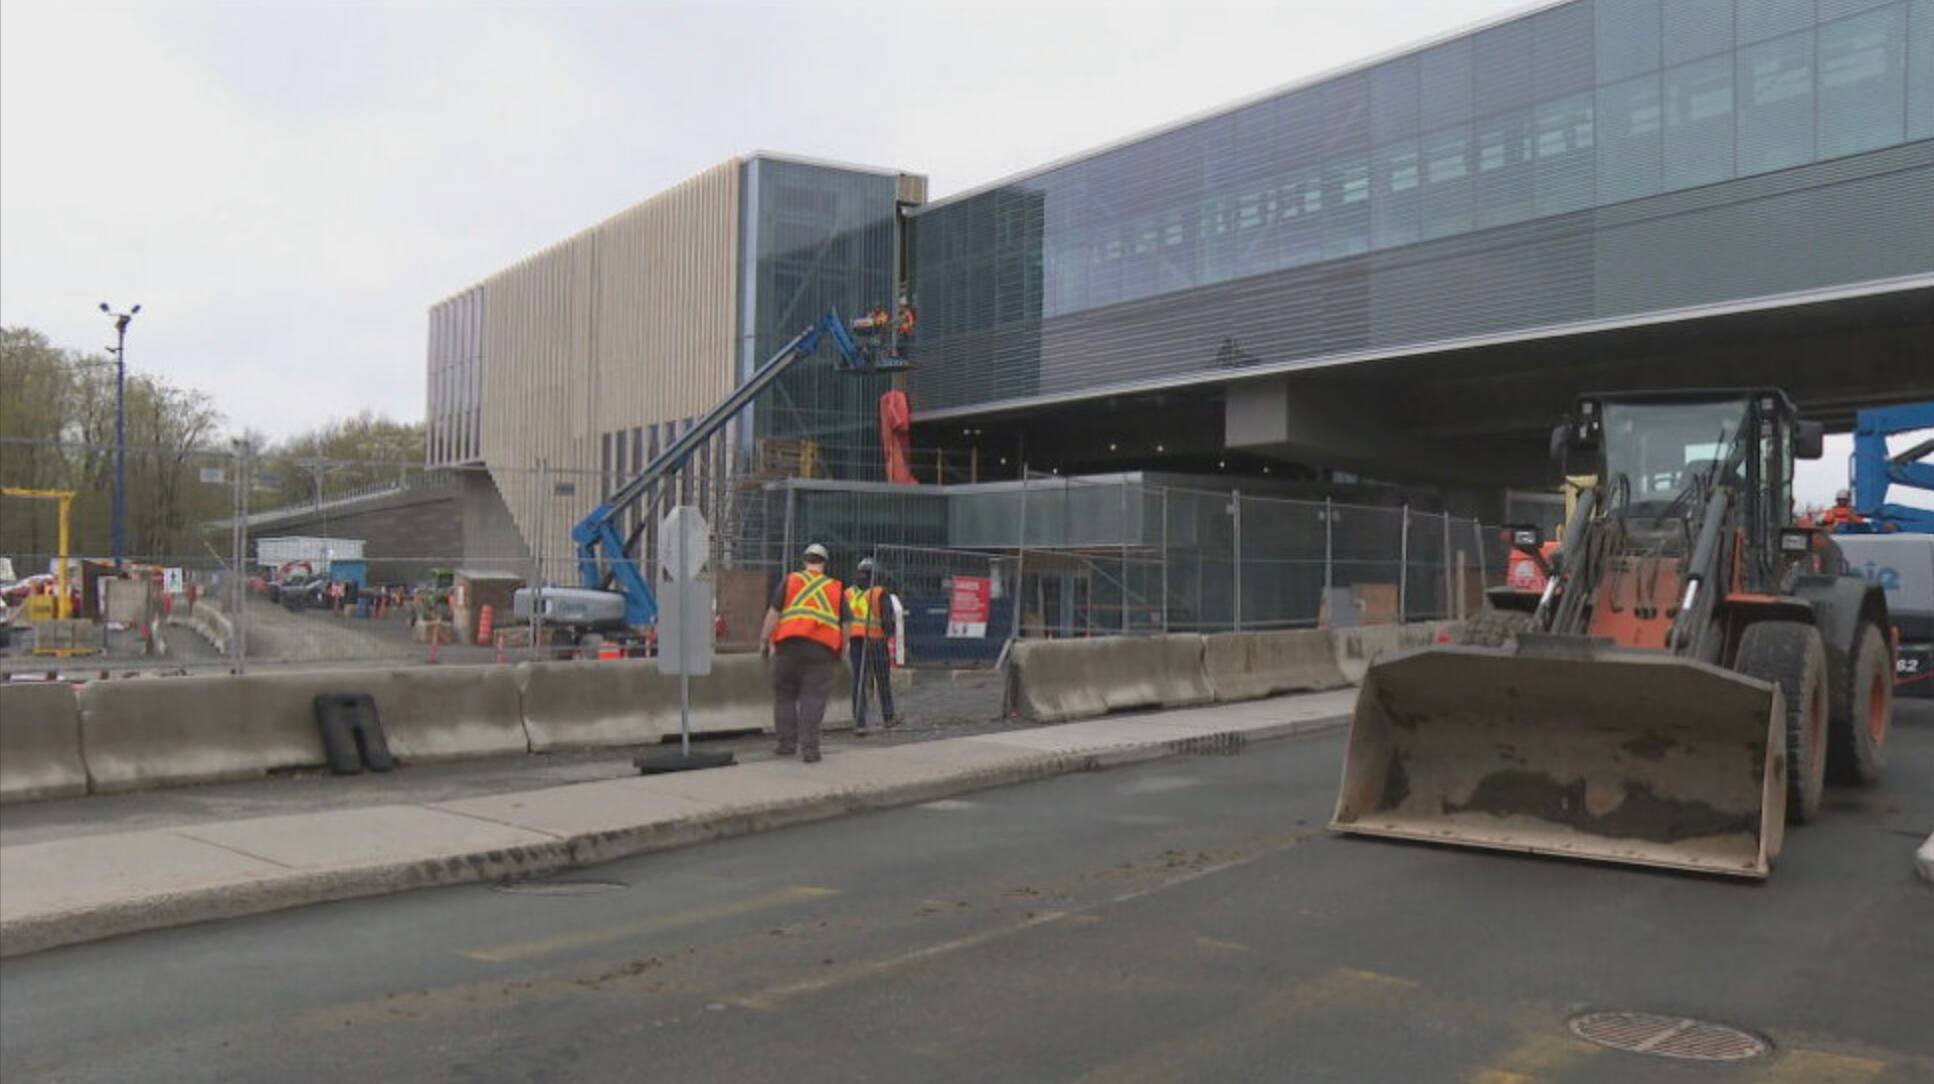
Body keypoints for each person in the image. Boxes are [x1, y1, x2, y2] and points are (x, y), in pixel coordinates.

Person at [761, 543, 846, 764]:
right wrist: (841, 648)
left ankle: (785, 744)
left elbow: (773, 614)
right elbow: (847, 624)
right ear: (824, 564)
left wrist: (763, 641)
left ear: (804, 561)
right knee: (813, 698)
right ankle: (810, 750)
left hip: (788, 646)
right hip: (821, 650)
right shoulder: (835, 588)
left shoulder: (790, 581)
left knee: (785, 696)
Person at [844, 557, 900, 735]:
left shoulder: (848, 593)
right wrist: (889, 635)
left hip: (855, 642)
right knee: (882, 680)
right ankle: (888, 717)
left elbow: (842, 619)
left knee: (858, 683)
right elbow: (887, 620)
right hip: (876, 641)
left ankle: (860, 723)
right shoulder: (879, 592)